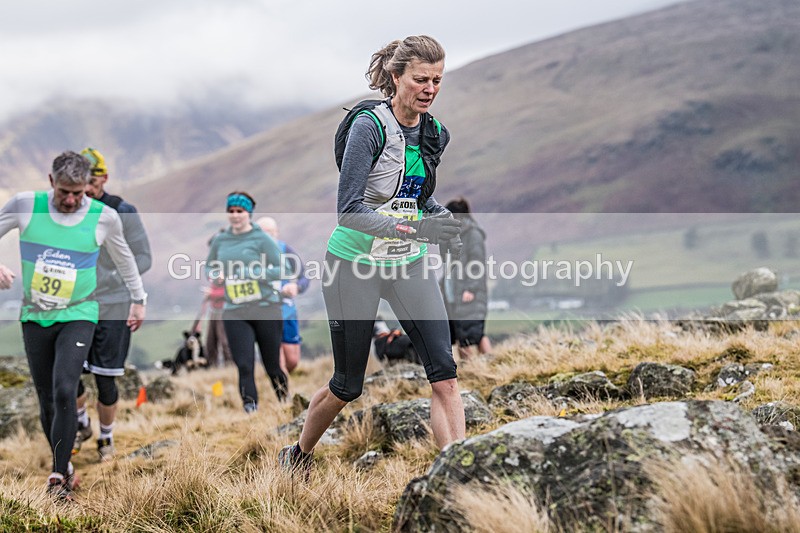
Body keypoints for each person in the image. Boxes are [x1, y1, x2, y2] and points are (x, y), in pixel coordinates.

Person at [279, 35, 465, 476]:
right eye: (420, 79)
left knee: (445, 375)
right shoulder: (371, 127)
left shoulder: (435, 133)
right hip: (353, 265)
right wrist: (421, 226)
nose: (430, 88)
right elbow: (350, 213)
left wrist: (441, 223)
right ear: (396, 77)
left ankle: (456, 475)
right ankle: (298, 455)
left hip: (408, 262)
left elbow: (417, 197)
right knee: (347, 385)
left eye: (437, 80)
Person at [0, 151, 146, 501]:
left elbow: (126, 260)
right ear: (51, 181)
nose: (70, 200)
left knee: (66, 387)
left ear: (87, 187)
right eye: (64, 191)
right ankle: (65, 466)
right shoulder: (25, 205)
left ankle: (57, 476)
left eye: (77, 193)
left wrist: (139, 300)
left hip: (80, 313)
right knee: (47, 397)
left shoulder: (104, 217)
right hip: (36, 315)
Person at [71, 147, 152, 461]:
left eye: (91, 178)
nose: (85, 185)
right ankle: (80, 424)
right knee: (68, 370)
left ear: (104, 177)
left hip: (114, 304)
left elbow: (144, 257)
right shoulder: (66, 209)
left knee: (106, 379)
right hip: (75, 303)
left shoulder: (121, 210)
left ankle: (106, 439)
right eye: (79, 178)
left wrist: (111, 279)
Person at [206, 192, 287, 412]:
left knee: (272, 365)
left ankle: (285, 401)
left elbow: (284, 268)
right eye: (231, 211)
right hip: (235, 310)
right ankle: (250, 409)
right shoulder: (221, 240)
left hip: (265, 308)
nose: (235, 216)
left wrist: (254, 272)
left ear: (248, 214)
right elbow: (209, 266)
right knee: (243, 364)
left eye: (240, 211)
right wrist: (217, 276)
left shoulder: (261, 239)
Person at [255, 216, 309, 375]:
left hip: (287, 310)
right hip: (264, 311)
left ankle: (280, 381)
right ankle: (283, 396)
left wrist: (296, 287)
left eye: (270, 232)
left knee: (292, 361)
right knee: (278, 363)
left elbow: (304, 277)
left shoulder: (286, 250)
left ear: (277, 233)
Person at [442, 197, 492, 359]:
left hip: (469, 293)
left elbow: (478, 265)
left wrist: (471, 288)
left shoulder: (472, 235)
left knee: (472, 336)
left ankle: (484, 367)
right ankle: (478, 369)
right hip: (454, 295)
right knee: (465, 335)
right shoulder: (455, 236)